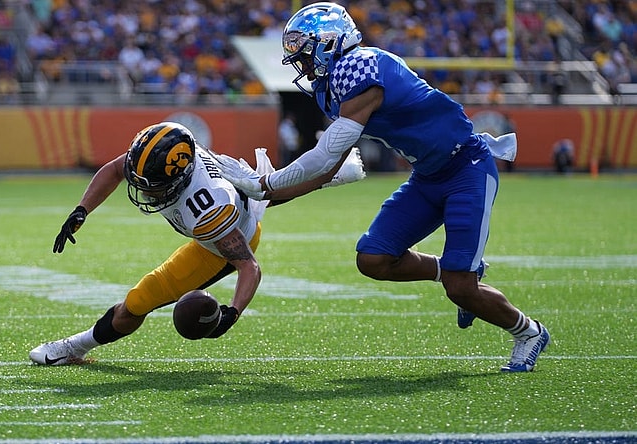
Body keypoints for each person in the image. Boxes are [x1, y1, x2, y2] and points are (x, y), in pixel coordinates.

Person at [213, 2, 550, 373]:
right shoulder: (331, 86)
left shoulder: (361, 66)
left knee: (461, 287)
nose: (301, 64)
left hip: (466, 169)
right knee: (373, 258)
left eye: (304, 53)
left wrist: (265, 182)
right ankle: (454, 270)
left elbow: (325, 156)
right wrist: (262, 196)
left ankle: (528, 332)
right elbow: (326, 173)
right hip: (427, 176)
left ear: (329, 42)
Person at [29, 122, 362, 365]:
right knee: (261, 192)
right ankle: (330, 176)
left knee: (138, 301)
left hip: (222, 243)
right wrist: (82, 209)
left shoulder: (206, 210)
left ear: (179, 178)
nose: (146, 193)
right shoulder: (170, 146)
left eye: (153, 187)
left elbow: (248, 266)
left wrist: (232, 313)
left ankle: (74, 347)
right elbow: (118, 169)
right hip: (231, 198)